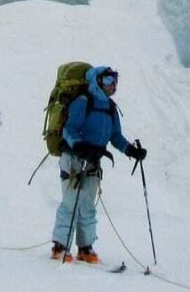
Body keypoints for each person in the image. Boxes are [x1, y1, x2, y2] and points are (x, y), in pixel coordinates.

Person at [49, 65, 148, 264]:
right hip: (73, 159)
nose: (113, 85)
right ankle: (60, 247)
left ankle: (85, 248)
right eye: (109, 80)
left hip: (93, 161)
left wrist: (130, 150)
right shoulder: (82, 101)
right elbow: (70, 129)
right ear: (98, 81)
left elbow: (115, 136)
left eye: (115, 81)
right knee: (70, 202)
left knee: (87, 205)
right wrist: (79, 146)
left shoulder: (110, 108)